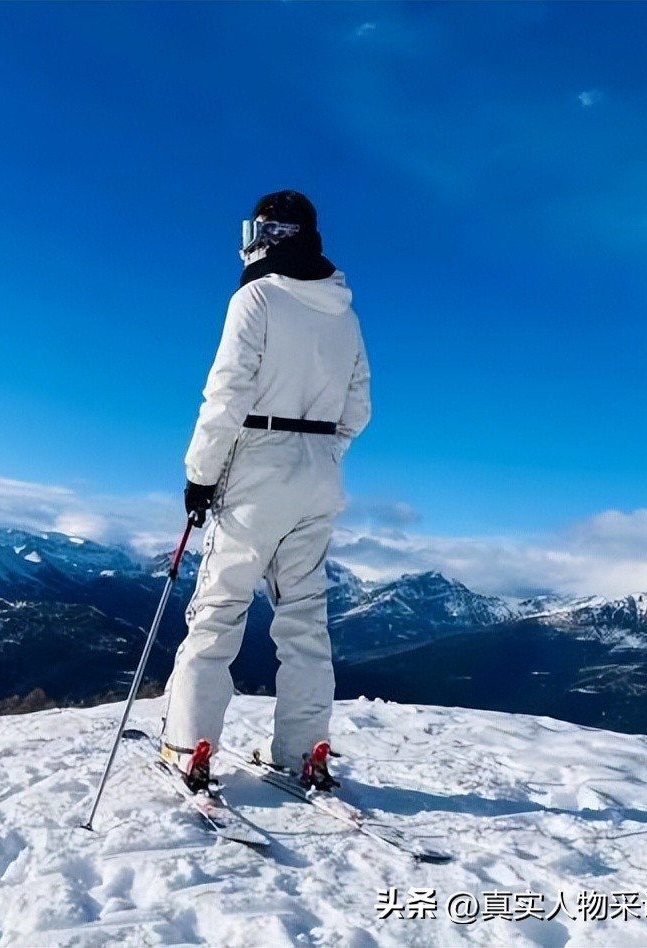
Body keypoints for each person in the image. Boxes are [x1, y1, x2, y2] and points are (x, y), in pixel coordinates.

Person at [160, 190, 371, 790]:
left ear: (275, 233)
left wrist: (201, 475)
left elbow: (226, 394)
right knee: (304, 617)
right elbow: (360, 407)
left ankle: (190, 744)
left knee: (220, 607)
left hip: (257, 461)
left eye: (257, 227)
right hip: (320, 468)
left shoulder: (256, 297)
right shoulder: (344, 314)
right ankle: (304, 751)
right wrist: (323, 450)